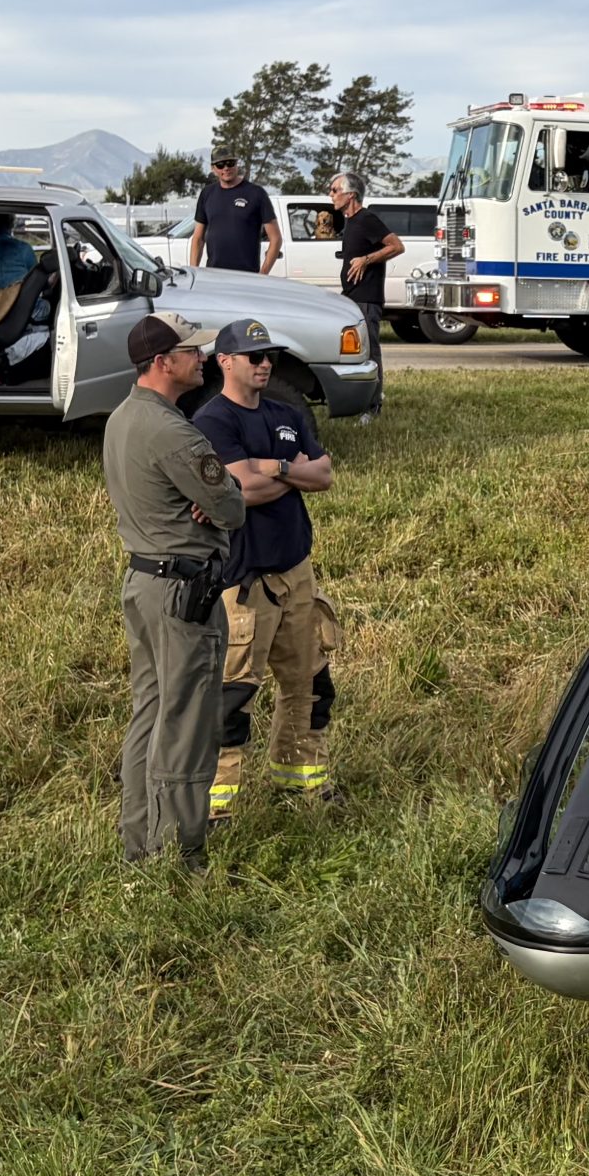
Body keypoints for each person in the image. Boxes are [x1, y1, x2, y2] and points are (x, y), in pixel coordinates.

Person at [102, 313, 244, 870]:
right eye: (193, 351)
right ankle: (178, 853)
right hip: (184, 593)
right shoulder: (172, 430)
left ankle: (139, 839)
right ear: (164, 363)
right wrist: (219, 495)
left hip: (144, 581)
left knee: (151, 711)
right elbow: (230, 505)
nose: (202, 358)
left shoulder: (122, 418)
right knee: (186, 723)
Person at [194, 318, 336, 813]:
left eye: (268, 355)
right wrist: (286, 471)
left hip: (297, 572)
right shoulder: (212, 421)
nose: (264, 364)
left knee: (311, 684)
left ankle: (299, 781)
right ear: (224, 361)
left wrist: (269, 468)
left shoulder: (286, 412)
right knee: (233, 696)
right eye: (253, 356)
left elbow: (324, 475)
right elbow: (238, 491)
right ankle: (216, 806)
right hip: (246, 583)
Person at [329, 171, 403, 408]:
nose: (331, 195)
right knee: (353, 353)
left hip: (367, 299)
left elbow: (396, 246)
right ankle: (357, 398)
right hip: (352, 296)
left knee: (370, 352)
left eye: (334, 190)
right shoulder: (350, 221)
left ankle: (374, 405)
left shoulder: (367, 218)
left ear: (350, 195)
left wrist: (366, 260)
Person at [190, 154, 281, 275]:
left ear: (236, 164)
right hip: (214, 275)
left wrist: (263, 275)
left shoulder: (257, 194)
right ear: (213, 168)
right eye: (220, 165)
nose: (226, 168)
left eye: (230, 163)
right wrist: (193, 272)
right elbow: (198, 239)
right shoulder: (207, 194)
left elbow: (276, 238)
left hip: (246, 276)